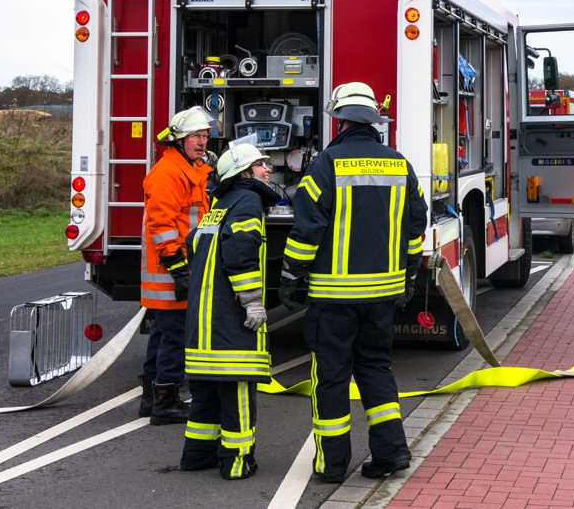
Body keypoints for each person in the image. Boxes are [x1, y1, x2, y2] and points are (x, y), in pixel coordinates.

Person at [279, 82, 428, 484]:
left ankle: (331, 466)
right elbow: (416, 227)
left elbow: (307, 230)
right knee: (376, 369)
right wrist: (410, 273)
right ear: (374, 121)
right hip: (383, 295)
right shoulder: (400, 164)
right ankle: (391, 452)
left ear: (340, 121)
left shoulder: (326, 164)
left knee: (331, 377)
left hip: (333, 298)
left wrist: (291, 277)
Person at [179, 142, 280, 480]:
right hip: (228, 321)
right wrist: (251, 300)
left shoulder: (220, 204)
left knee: (206, 391)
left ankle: (197, 455)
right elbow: (240, 251)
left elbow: (193, 243)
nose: (268, 170)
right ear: (244, 173)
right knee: (236, 389)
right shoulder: (249, 201)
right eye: (261, 165)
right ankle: (237, 462)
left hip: (203, 321)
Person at [140, 106, 214, 425]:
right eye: (195, 136)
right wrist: (179, 269)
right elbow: (162, 225)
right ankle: (165, 403)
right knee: (175, 337)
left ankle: (150, 398)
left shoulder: (189, 169)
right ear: (178, 140)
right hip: (171, 270)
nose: (202, 141)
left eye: (205, 135)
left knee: (162, 333)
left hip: (174, 269)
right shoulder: (170, 173)